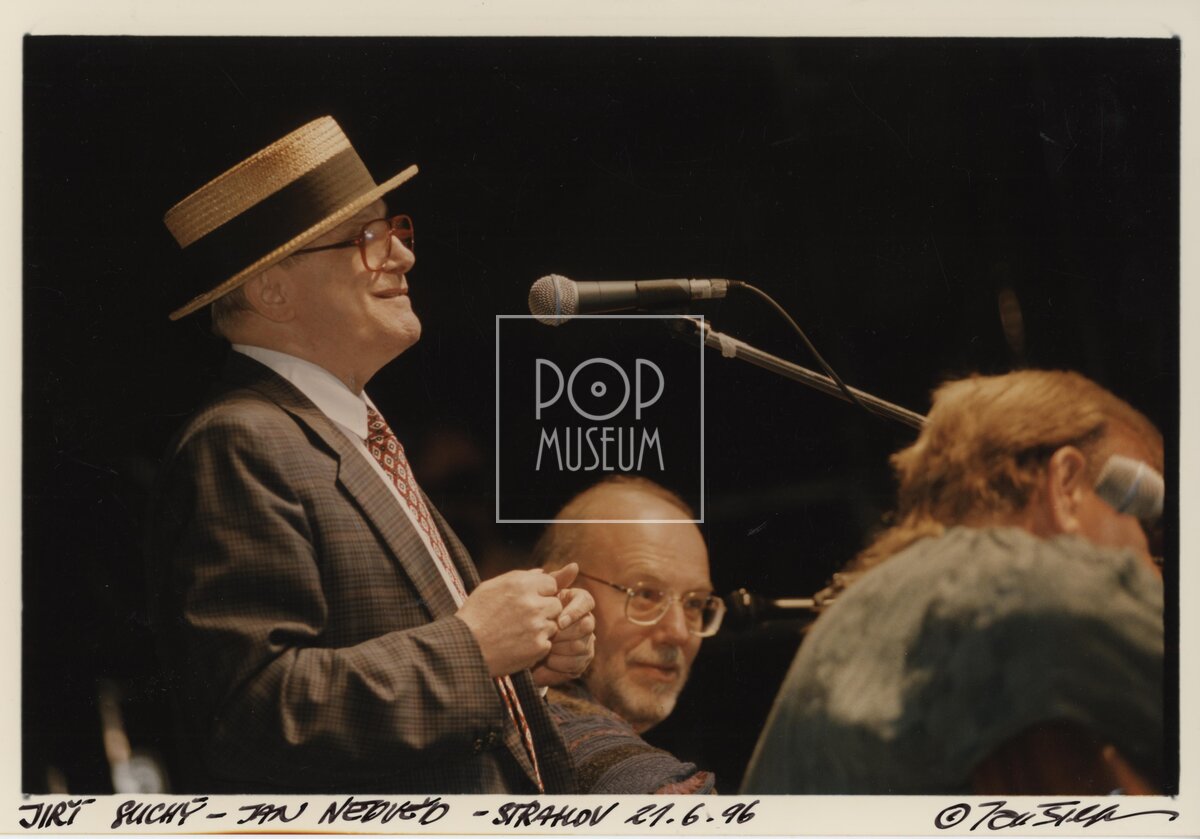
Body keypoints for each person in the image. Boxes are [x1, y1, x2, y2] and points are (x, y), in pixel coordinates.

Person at [147, 116, 595, 794]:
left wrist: (520, 662)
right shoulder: (240, 439)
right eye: (366, 237)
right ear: (273, 290)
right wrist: (474, 648)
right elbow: (251, 712)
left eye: (394, 229)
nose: (403, 255)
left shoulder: (346, 430)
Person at [741, 370, 1165, 795]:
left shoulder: (858, 615)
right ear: (1066, 485)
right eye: (1144, 519)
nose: (1150, 560)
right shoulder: (1018, 574)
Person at [532, 476, 721, 794]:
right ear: (560, 592)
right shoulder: (551, 721)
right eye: (645, 595)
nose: (678, 632)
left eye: (694, 604)